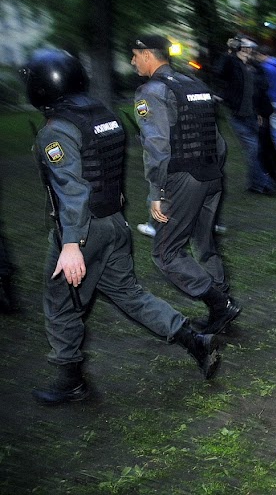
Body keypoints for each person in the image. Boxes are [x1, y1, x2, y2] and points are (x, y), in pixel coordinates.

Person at [23, 49, 223, 404]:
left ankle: (70, 379)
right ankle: (195, 340)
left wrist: (71, 245)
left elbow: (74, 189)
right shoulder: (103, 114)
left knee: (60, 304)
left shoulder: (58, 130)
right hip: (115, 224)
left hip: (83, 232)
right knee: (130, 294)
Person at [131, 35, 241, 335]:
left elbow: (157, 147)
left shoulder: (151, 92)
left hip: (184, 178)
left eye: (135, 55)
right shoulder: (194, 84)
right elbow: (218, 141)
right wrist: (214, 173)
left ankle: (220, 304)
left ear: (147, 55)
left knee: (165, 252)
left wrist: (156, 192)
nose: (132, 62)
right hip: (212, 175)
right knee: (205, 244)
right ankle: (224, 304)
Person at [214, 35, 276, 195]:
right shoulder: (232, 65)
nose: (246, 52)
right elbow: (219, 72)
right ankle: (264, 183)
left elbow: (262, 88)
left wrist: (261, 112)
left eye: (249, 49)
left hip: (254, 115)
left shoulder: (255, 67)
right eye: (243, 49)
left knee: (255, 150)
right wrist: (228, 52)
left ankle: (255, 184)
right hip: (238, 115)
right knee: (252, 149)